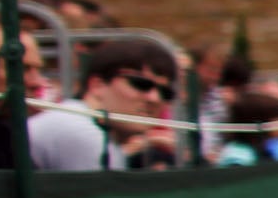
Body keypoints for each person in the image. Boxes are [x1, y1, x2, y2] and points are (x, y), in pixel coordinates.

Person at [30, 36, 184, 170]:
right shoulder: (79, 130)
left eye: (166, 93)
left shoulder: (90, 128)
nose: (155, 98)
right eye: (140, 84)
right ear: (98, 85)